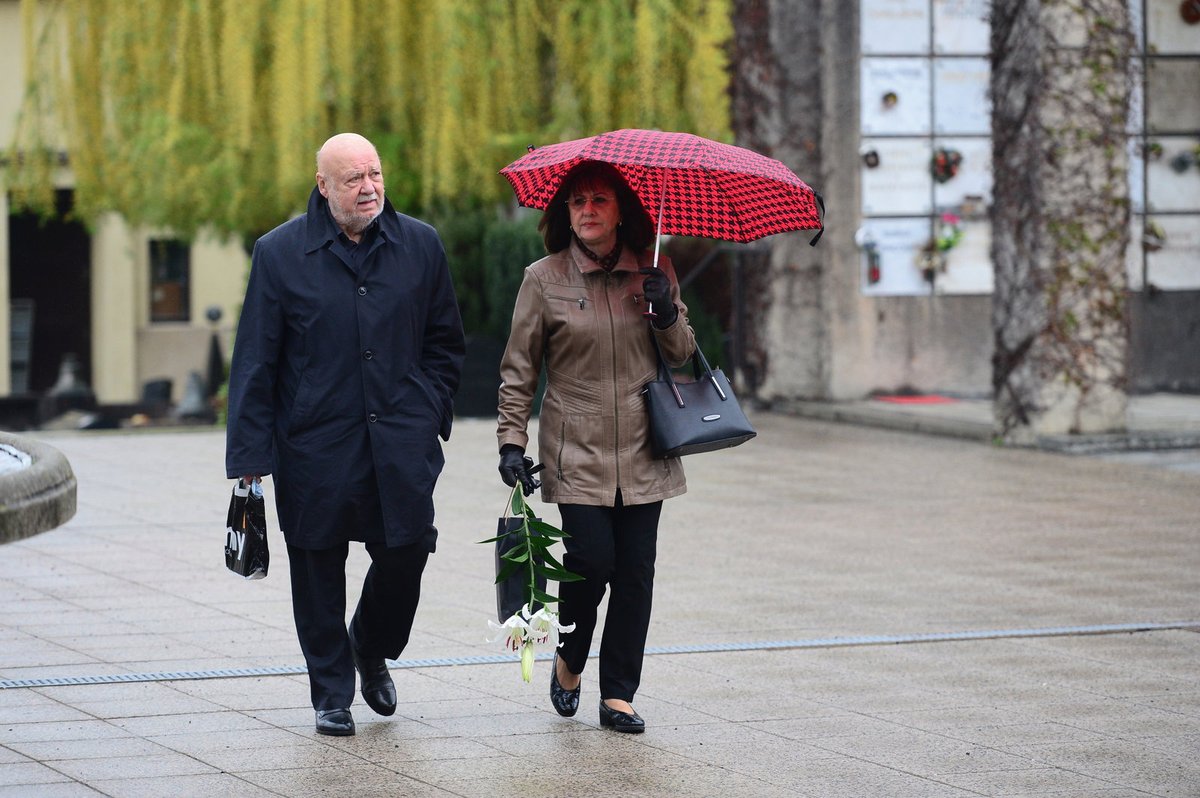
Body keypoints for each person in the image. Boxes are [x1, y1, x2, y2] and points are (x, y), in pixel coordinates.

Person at [225, 132, 465, 737]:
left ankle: (371, 644)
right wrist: (250, 458)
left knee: (408, 551)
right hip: (315, 444)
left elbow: (444, 343)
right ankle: (331, 692)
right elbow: (256, 361)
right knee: (317, 569)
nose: (369, 188)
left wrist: (429, 412)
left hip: (400, 443)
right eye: (353, 179)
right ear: (323, 186)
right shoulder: (280, 254)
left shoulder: (420, 246)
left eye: (375, 174)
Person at [496, 161, 696, 733]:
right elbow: (518, 368)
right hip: (575, 446)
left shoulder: (654, 269)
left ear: (620, 209)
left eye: (599, 200)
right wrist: (512, 442)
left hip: (645, 443)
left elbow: (682, 352)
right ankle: (569, 661)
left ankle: (619, 695)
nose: (586, 209)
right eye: (577, 201)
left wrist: (664, 311)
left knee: (635, 571)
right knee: (590, 564)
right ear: (565, 212)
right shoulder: (543, 278)